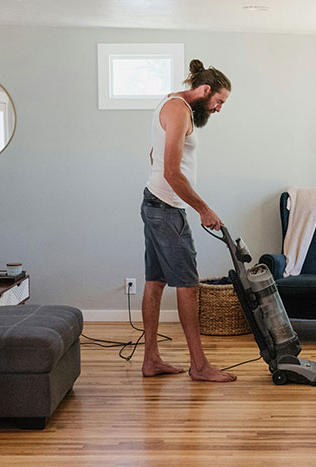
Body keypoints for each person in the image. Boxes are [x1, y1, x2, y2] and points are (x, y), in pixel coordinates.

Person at [140, 59, 236, 382]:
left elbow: (157, 158)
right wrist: (203, 209)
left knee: (155, 281)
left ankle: (151, 359)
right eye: (219, 101)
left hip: (156, 203)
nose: (219, 109)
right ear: (205, 90)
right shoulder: (179, 110)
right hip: (166, 209)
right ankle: (199, 365)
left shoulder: (171, 104)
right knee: (188, 284)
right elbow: (170, 170)